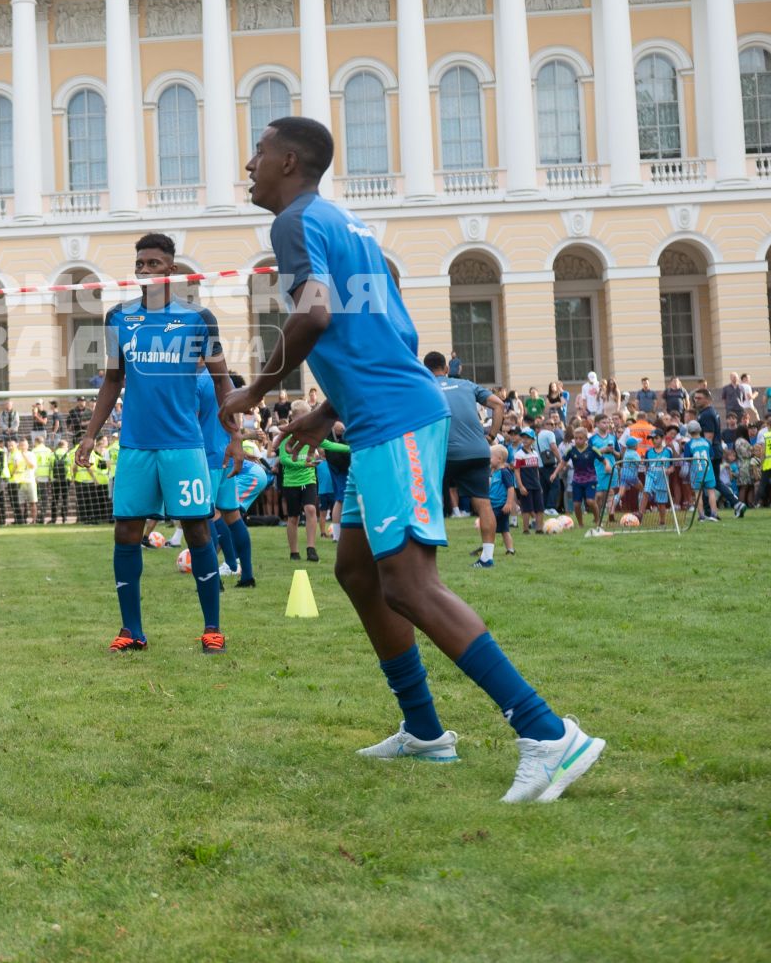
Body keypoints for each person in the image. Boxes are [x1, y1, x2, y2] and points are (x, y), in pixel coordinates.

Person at [228, 117, 602, 802]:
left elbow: (312, 318)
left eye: (257, 152)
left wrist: (257, 387)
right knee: (356, 570)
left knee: (410, 583)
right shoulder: (347, 224)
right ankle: (425, 731)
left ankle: (548, 734)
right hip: (381, 416)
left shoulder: (293, 224)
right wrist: (327, 410)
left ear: (287, 161)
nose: (248, 164)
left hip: (395, 420)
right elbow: (390, 332)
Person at [77, 233, 238, 654]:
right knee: (127, 531)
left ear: (171, 269)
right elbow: (113, 380)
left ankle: (212, 629)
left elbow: (223, 380)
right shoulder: (117, 318)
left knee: (198, 530)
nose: (145, 270)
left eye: (153, 263)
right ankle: (132, 631)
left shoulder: (198, 318)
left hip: (184, 446)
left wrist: (235, 437)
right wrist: (91, 434)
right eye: (140, 263)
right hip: (135, 447)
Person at [425, 352, 505, 569]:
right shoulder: (467, 384)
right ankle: (487, 557)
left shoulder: (423, 385)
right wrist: (491, 436)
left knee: (425, 498)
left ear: (426, 369)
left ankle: (422, 556)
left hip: (443, 452)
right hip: (477, 450)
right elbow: (498, 404)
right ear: (446, 368)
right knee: (483, 502)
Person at [201, 372, 263, 587]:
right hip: (226, 457)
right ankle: (247, 575)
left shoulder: (196, 380)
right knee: (232, 515)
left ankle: (213, 580)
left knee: (203, 518)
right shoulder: (223, 380)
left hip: (204, 458)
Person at [276, 410, 322, 561]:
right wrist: (305, 464)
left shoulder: (311, 436)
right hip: (291, 483)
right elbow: (284, 459)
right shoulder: (286, 437)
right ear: (293, 419)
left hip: (308, 481)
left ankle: (311, 549)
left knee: (310, 509)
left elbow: (330, 445)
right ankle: (294, 552)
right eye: (299, 419)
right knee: (293, 518)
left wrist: (352, 447)